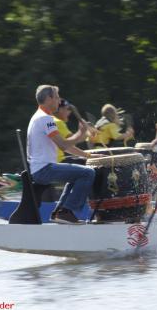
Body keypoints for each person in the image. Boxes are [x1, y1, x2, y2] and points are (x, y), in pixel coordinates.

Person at [27, 85, 100, 224]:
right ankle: (66, 212)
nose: (59, 101)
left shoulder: (39, 117)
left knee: (78, 174)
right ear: (49, 99)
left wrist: (87, 156)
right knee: (88, 174)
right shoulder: (46, 119)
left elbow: (65, 147)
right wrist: (81, 134)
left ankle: (59, 212)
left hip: (41, 168)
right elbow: (63, 145)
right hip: (44, 169)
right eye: (57, 97)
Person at [54, 98, 88, 164]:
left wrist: (88, 155)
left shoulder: (51, 120)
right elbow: (75, 141)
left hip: (54, 162)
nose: (70, 112)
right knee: (88, 167)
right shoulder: (58, 122)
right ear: (60, 110)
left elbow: (68, 147)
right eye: (68, 109)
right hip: (57, 162)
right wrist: (84, 131)